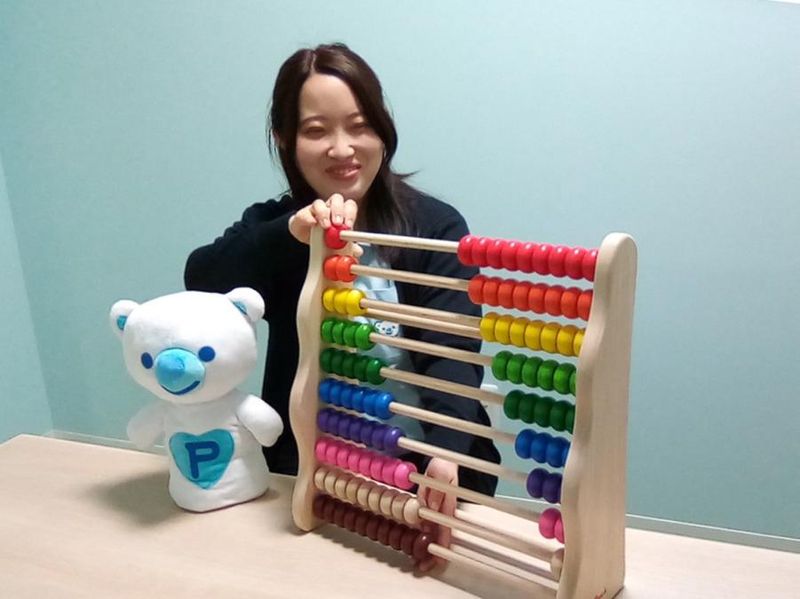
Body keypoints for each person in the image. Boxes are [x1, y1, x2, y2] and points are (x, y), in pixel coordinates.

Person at [184, 43, 500, 570]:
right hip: (313, 475)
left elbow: (453, 348)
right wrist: (289, 235)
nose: (341, 149)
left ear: (382, 129)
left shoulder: (434, 226)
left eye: (359, 126)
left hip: (427, 473)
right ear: (285, 139)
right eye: (316, 130)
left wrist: (445, 455)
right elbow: (202, 279)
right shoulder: (278, 228)